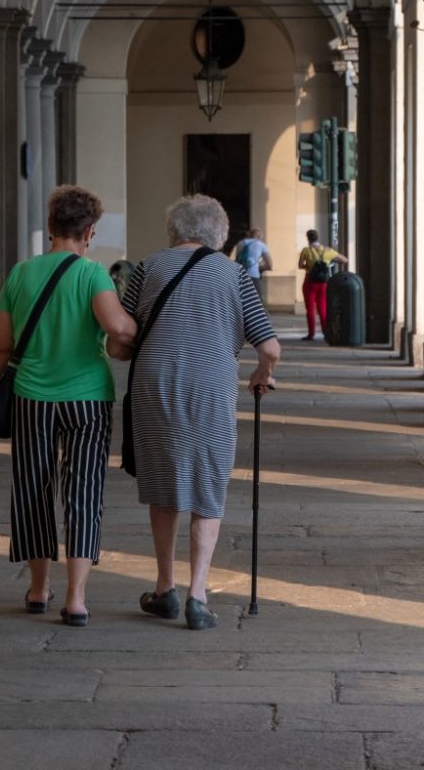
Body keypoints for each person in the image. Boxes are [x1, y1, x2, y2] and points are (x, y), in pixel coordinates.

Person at [0, 185, 137, 627]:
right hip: (87, 401)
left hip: (32, 398)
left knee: (33, 490)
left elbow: (0, 347)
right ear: (90, 231)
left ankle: (40, 589)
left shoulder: (21, 274)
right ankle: (77, 598)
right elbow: (117, 326)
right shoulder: (92, 274)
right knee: (83, 493)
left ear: (50, 228)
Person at [117, 194, 280, 630]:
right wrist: (262, 375)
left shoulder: (148, 267)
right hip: (211, 386)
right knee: (208, 481)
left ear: (174, 231)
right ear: (219, 234)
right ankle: (198, 596)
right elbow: (269, 347)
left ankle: (165, 587)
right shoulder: (235, 274)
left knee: (163, 479)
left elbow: (123, 336)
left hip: (155, 384)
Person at [298, 228, 348, 341]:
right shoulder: (327, 250)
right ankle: (326, 333)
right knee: (323, 308)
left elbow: (300, 265)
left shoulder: (306, 250)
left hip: (310, 282)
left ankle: (311, 334)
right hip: (323, 283)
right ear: (318, 237)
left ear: (308, 238)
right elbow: (344, 260)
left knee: (310, 309)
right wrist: (329, 263)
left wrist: (310, 267)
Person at [232, 227, 273, 298]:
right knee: (257, 302)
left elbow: (237, 260)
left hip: (240, 276)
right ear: (259, 236)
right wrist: (259, 269)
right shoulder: (261, 245)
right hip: (253, 276)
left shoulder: (241, 243)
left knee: (240, 301)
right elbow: (269, 265)